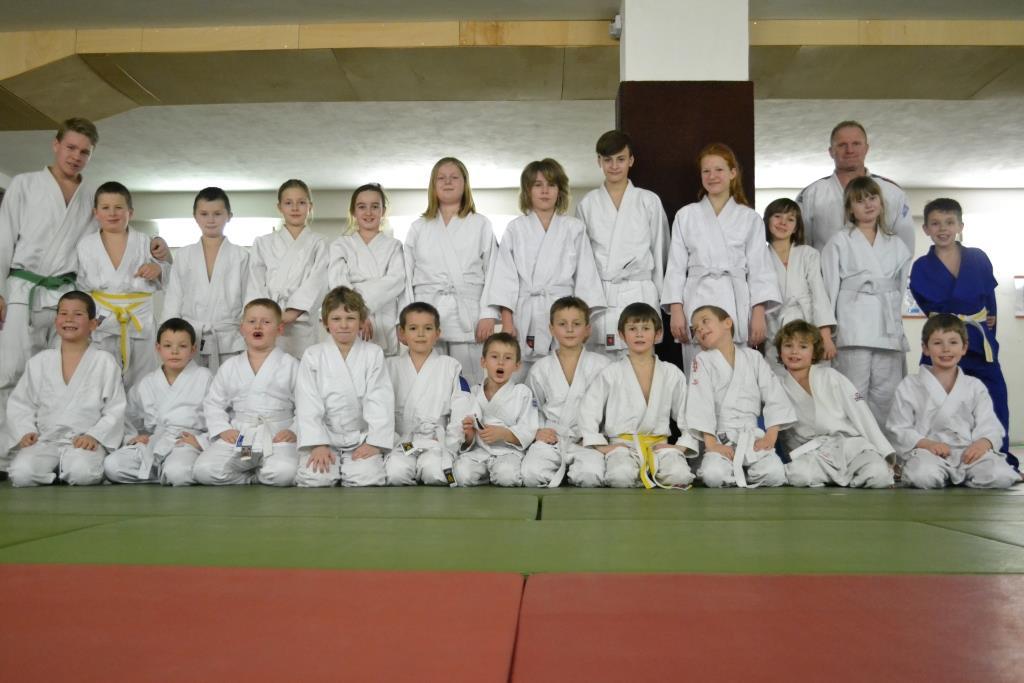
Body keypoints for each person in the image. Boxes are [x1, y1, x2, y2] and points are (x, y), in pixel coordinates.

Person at [0, 119, 168, 440]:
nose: (76, 156)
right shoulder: (24, 184)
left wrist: (156, 248)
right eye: (71, 148)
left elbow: (109, 239)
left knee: (63, 373)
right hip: (23, 290)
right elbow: (3, 240)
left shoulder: (91, 196)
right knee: (11, 370)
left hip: (67, 295)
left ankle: (54, 443)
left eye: (85, 152)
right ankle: (7, 451)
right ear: (56, 145)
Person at [909, 198, 1014, 463]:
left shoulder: (977, 257)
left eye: (949, 222)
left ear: (960, 226)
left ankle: (999, 458)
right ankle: (939, 459)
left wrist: (989, 332)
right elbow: (928, 308)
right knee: (934, 403)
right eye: (935, 223)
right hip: (942, 341)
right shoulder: (921, 266)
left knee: (995, 398)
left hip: (978, 341)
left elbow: (989, 301)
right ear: (926, 229)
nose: (942, 228)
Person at [661, 143, 780, 370]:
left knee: (737, 373)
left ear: (733, 173)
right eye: (706, 171)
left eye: (719, 170)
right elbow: (675, 267)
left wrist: (758, 314)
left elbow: (760, 269)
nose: (712, 176)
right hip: (696, 300)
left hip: (734, 301)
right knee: (699, 372)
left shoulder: (750, 218)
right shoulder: (686, 216)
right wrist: (676, 310)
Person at [489, 158, 605, 376]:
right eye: (538, 185)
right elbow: (505, 279)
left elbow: (586, 277)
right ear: (527, 191)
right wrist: (507, 322)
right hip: (526, 314)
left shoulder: (574, 228)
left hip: (564, 314)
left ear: (560, 191)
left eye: (551, 185)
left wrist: (581, 323)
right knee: (521, 375)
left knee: (562, 372)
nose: (545, 191)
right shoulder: (515, 229)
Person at [6, 291, 126, 486]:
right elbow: (21, 404)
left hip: (84, 442)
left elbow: (115, 408)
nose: (69, 319)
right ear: (56, 321)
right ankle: (57, 470)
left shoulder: (104, 362)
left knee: (82, 473)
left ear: (93, 324)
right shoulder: (40, 362)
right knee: (21, 473)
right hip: (46, 441)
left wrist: (94, 435)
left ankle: (65, 469)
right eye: (63, 313)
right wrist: (25, 431)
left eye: (78, 314)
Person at [821, 176, 912, 432]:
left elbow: (901, 288)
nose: (868, 205)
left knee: (886, 395)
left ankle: (886, 448)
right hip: (853, 328)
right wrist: (826, 332)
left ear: (881, 203)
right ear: (850, 209)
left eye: (872, 198)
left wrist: (898, 326)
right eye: (860, 201)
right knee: (853, 392)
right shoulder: (839, 241)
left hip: (887, 329)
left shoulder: (896, 244)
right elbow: (828, 289)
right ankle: (855, 446)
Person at [887, 314, 1019, 489]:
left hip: (968, 453)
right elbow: (898, 427)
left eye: (953, 342)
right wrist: (927, 444)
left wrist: (983, 443)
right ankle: (952, 475)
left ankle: (963, 474)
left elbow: (989, 423)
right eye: (937, 343)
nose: (946, 349)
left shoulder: (974, 386)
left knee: (1001, 475)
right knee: (923, 476)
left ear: (964, 348)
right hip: (928, 453)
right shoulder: (910, 385)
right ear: (925, 348)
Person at [576, 303, 699, 488]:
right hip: (622, 447)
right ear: (622, 334)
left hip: (659, 446)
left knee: (680, 476)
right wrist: (601, 446)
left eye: (646, 328)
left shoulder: (671, 373)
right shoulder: (611, 373)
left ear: (658, 334)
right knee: (620, 477)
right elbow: (588, 411)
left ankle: (652, 471)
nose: (639, 334)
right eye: (632, 329)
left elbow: (688, 413)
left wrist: (680, 446)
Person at [402, 157, 500, 384]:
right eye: (441, 178)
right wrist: (405, 319)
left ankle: (469, 408)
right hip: (426, 312)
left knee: (469, 380)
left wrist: (487, 314)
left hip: (467, 313)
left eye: (454, 177)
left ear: (465, 183)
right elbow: (405, 275)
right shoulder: (418, 227)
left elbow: (493, 271)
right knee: (429, 379)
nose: (447, 182)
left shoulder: (481, 224)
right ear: (433, 185)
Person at [574, 130, 669, 357]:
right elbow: (582, 261)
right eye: (608, 160)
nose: (614, 166)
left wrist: (660, 297)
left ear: (631, 160)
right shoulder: (587, 204)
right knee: (599, 364)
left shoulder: (649, 201)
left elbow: (661, 252)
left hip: (639, 291)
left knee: (640, 360)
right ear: (599, 161)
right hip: (602, 296)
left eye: (620, 159)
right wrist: (585, 305)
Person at [775, 320, 894, 488]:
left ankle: (844, 479)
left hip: (850, 446)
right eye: (788, 345)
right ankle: (847, 479)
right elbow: (781, 432)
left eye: (803, 346)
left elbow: (861, 413)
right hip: (815, 453)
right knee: (798, 475)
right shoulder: (777, 386)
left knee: (879, 475)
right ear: (780, 351)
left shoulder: (831, 376)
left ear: (814, 352)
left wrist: (885, 453)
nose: (794, 352)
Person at [295, 287, 394, 488]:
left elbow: (379, 399)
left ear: (361, 321)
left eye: (350, 318)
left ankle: (358, 460)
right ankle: (324, 454)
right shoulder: (313, 355)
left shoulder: (373, 353)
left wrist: (374, 442)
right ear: (325, 322)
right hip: (325, 436)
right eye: (336, 318)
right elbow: (307, 402)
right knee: (316, 479)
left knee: (367, 479)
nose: (343, 325)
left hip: (361, 438)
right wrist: (317, 443)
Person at [685, 305, 794, 488]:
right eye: (695, 328)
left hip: (751, 436)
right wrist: (712, 445)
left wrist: (770, 437)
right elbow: (700, 404)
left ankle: (741, 472)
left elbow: (775, 396)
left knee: (775, 474)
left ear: (727, 323)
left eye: (705, 321)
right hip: (720, 437)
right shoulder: (702, 360)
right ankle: (734, 471)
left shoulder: (754, 357)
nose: (700, 329)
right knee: (713, 476)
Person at [193, 298, 298, 486]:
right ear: (242, 328)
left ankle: (262, 471)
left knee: (285, 473)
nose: (258, 326)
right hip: (243, 437)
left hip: (276, 435)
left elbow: (307, 405)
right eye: (252, 321)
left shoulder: (291, 365)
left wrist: (293, 430)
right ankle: (252, 476)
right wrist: (223, 429)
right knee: (204, 470)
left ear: (279, 329)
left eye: (266, 322)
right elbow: (213, 403)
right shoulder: (230, 366)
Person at [76, 181, 165, 389]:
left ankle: (142, 412)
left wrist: (158, 269)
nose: (112, 213)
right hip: (102, 319)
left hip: (139, 319)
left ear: (130, 212)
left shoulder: (146, 242)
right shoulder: (86, 245)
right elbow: (80, 287)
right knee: (102, 379)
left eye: (118, 207)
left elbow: (172, 274)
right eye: (105, 208)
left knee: (143, 381)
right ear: (96, 213)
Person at [103, 318, 213, 486]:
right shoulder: (147, 382)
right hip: (155, 442)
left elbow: (220, 415)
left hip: (185, 443)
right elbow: (128, 416)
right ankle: (164, 473)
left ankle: (168, 472)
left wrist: (201, 441)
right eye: (168, 346)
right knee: (112, 466)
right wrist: (134, 437)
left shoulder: (205, 377)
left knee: (177, 472)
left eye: (182, 346)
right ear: (158, 348)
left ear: (193, 349)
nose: (174, 351)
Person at [523, 297, 610, 487]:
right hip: (552, 438)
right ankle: (564, 471)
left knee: (591, 476)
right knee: (531, 474)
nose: (569, 329)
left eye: (576, 324)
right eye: (562, 324)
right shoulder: (540, 368)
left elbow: (611, 409)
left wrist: (597, 436)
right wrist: (538, 431)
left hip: (587, 439)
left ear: (587, 329)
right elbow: (531, 408)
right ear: (552, 329)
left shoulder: (602, 366)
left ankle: (571, 472)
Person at [385, 301, 473, 486]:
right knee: (395, 473)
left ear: (437, 333)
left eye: (427, 328)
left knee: (434, 473)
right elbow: (380, 409)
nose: (420, 334)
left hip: (436, 442)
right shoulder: (390, 366)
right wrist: (392, 440)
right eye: (413, 328)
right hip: (403, 442)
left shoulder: (450, 366)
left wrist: (451, 442)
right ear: (402, 333)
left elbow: (461, 407)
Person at [161, 187, 250, 371]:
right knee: (191, 387)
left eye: (217, 214)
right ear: (195, 216)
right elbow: (173, 301)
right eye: (204, 214)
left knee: (229, 387)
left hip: (230, 341)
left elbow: (250, 301)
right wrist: (169, 340)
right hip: (189, 340)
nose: (211, 220)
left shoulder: (241, 256)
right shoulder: (184, 255)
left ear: (229, 216)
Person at [796, 120, 915, 254]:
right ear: (831, 151)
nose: (850, 150)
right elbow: (799, 248)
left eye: (856, 144)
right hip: (826, 267)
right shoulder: (811, 194)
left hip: (881, 268)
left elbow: (905, 247)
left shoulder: (893, 193)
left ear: (866, 148)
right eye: (842, 145)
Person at [246, 179, 328, 359]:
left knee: (303, 370)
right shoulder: (263, 243)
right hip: (268, 323)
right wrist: (267, 316)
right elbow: (255, 282)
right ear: (279, 207)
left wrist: (290, 314)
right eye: (288, 203)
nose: (295, 208)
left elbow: (318, 282)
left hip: (302, 323)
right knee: (270, 367)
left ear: (310, 206)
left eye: (301, 202)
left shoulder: (319, 243)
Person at [328, 183, 405, 356]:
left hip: (384, 322)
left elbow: (397, 281)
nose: (368, 212)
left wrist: (360, 304)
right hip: (350, 319)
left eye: (375, 207)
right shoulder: (340, 245)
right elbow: (337, 283)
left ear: (383, 211)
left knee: (385, 369)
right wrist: (359, 314)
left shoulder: (394, 246)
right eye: (362, 207)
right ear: (353, 211)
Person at [763, 198, 836, 371]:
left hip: (808, 322)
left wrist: (826, 336)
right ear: (767, 221)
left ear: (796, 227)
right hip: (774, 325)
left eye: (790, 219)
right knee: (777, 376)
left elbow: (819, 294)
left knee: (813, 377)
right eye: (777, 216)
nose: (783, 223)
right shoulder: (759, 256)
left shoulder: (808, 254)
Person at [456, 332, 537, 487]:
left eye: (508, 358)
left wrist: (504, 433)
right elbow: (466, 436)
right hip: (479, 451)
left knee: (507, 476)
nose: (501, 362)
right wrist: (469, 435)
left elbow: (528, 429)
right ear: (483, 362)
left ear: (517, 365)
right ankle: (487, 475)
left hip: (508, 452)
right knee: (461, 474)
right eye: (494, 357)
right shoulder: (474, 392)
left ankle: (494, 475)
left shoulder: (522, 393)